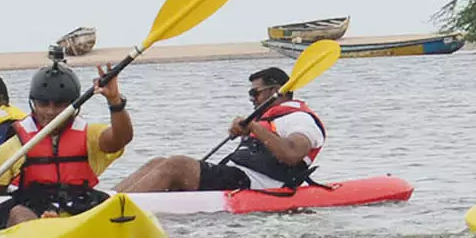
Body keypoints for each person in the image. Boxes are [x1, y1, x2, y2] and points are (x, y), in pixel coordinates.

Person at [0, 56, 133, 227]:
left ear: (75, 105)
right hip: (32, 210)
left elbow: (121, 139)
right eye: (43, 104)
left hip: (80, 205)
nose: (50, 112)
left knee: (116, 207)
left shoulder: (89, 136)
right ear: (33, 104)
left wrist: (115, 101)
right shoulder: (13, 148)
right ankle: (44, 228)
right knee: (18, 213)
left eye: (60, 104)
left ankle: (59, 226)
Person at [114, 66, 326, 195]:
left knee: (177, 165)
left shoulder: (300, 118)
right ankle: (107, 199)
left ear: (275, 91)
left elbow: (291, 155)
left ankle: (119, 208)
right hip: (237, 176)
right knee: (158, 162)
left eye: (255, 93)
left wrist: (253, 127)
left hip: (257, 184)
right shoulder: (267, 118)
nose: (251, 99)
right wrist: (250, 128)